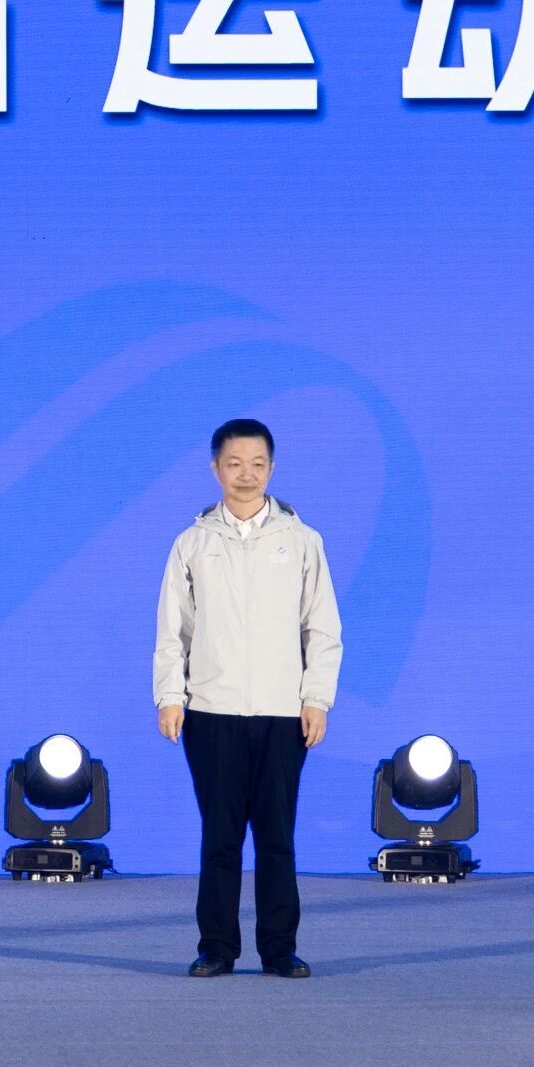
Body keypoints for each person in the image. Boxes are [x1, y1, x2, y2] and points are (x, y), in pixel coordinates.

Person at [153, 418, 342, 980]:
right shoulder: (192, 543)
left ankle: (279, 950)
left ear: (272, 468)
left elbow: (321, 627)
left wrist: (317, 698)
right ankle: (216, 947)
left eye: (257, 464)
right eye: (234, 463)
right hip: (212, 712)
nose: (246, 474)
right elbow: (172, 631)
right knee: (220, 837)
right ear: (216, 468)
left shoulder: (301, 540)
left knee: (277, 838)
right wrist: (170, 696)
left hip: (283, 713)